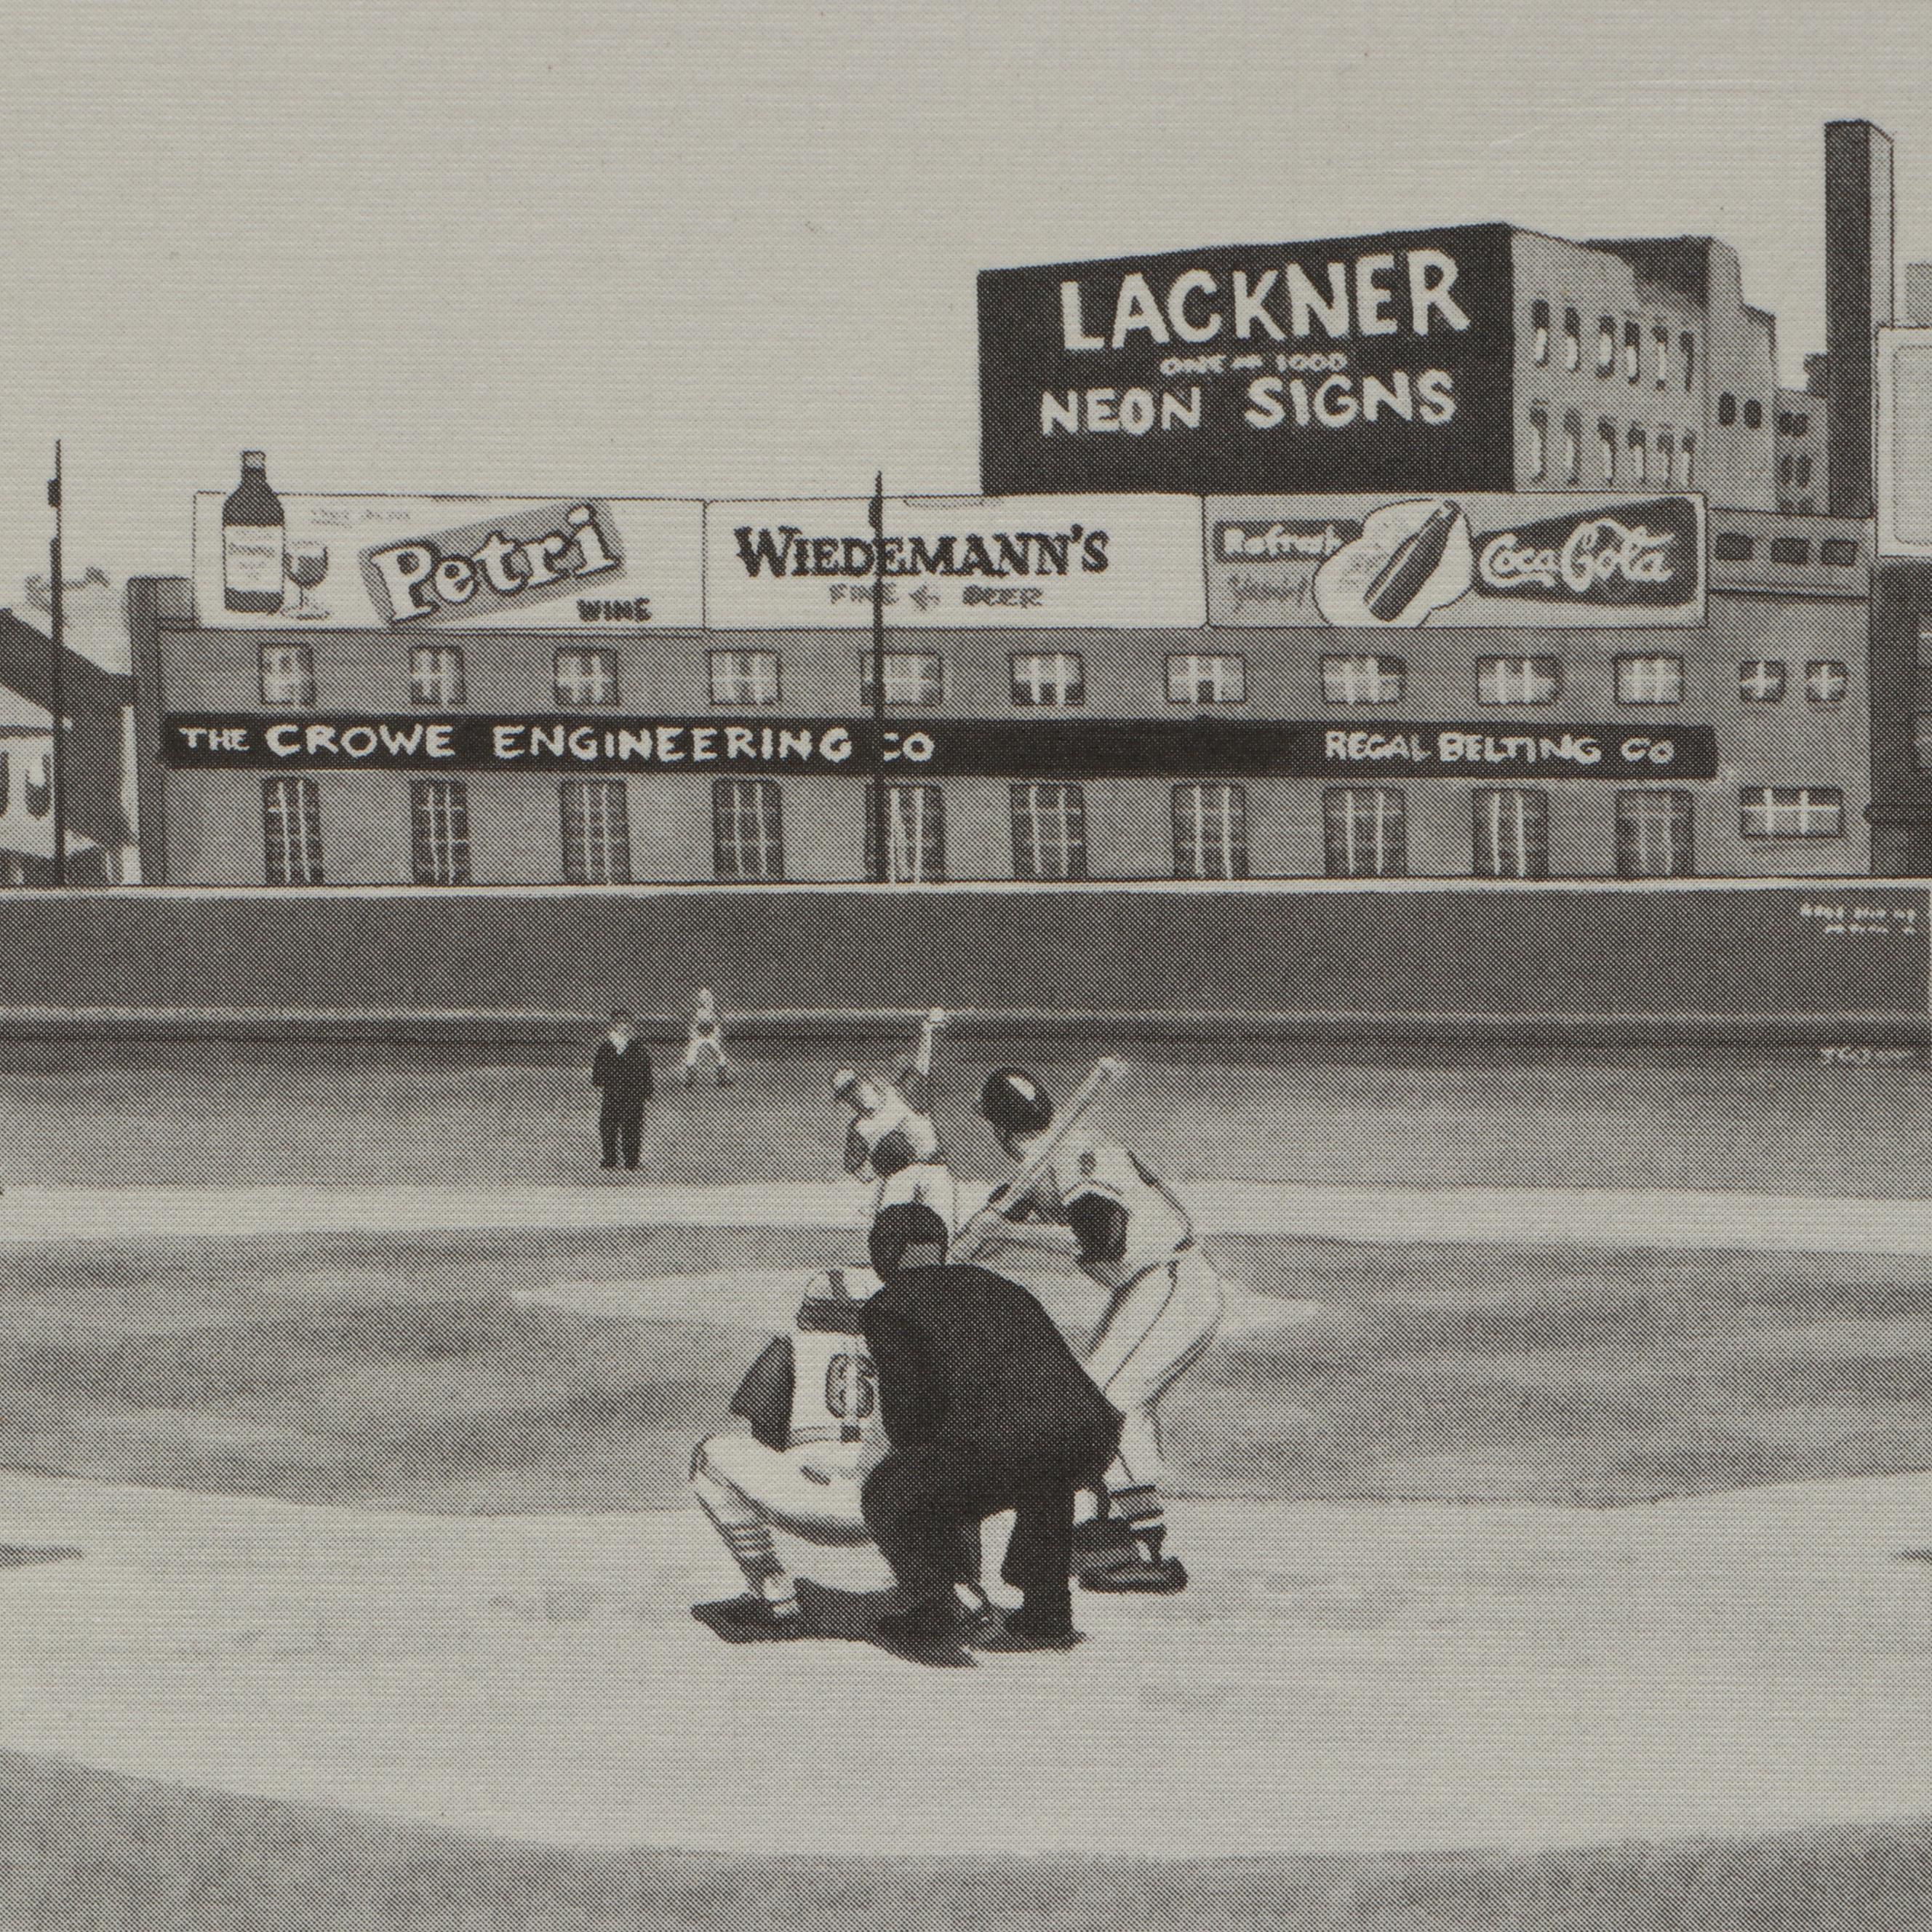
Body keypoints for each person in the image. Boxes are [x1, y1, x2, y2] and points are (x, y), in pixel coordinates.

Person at [974, 1069, 1226, 1594]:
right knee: (1095, 1398)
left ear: (997, 1129)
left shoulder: (1073, 1154)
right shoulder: (1056, 1155)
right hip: (1150, 1285)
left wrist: (1009, 1235)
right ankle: (1113, 1531)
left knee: (1111, 1403)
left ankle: (1146, 1552)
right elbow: (1010, 1216)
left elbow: (1103, 1240)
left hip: (1169, 1280)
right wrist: (989, 1229)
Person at [859, 1203, 1122, 1664]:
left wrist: (928, 1474)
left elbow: (909, 1413)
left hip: (1005, 1441)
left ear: (883, 1254)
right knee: (1047, 1473)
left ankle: (938, 1605)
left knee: (888, 1493)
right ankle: (1048, 1611)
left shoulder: (888, 1305)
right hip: (1090, 1433)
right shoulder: (1002, 1286)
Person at [689, 1260, 995, 1642]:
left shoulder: (792, 1344)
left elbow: (758, 1426)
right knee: (953, 1460)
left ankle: (770, 1590)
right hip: (889, 1511)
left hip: (805, 1497)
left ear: (807, 1313)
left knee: (710, 1455)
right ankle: (959, 1587)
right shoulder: (904, 1352)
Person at [832, 1010, 956, 1229]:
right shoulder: (859, 1128)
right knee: (890, 1233)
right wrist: (882, 1162)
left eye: (855, 1087)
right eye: (847, 1095)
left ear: (867, 1082)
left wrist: (927, 1031)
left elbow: (922, 1066)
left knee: (944, 1234)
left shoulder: (899, 1094)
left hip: (934, 1168)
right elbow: (860, 1172)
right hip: (900, 1177)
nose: (854, 1096)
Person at [590, 1012, 653, 1170]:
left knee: (632, 1127)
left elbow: (646, 1069)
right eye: (620, 1023)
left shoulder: (638, 1047)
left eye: (628, 1023)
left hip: (633, 1094)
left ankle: (631, 1160)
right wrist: (602, 1080)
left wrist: (647, 1090)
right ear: (614, 1025)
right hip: (612, 1093)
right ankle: (610, 1159)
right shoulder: (606, 1047)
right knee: (608, 1127)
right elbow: (598, 1071)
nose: (624, 1026)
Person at [682, 989, 734, 1087]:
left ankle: (721, 1079)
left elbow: (717, 1024)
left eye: (707, 999)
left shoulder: (712, 1012)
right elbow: (694, 1024)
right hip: (699, 1034)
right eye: (703, 999)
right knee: (691, 1055)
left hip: (709, 1034)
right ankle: (690, 1080)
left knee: (720, 1055)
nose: (705, 1000)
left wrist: (714, 1031)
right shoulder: (698, 1012)